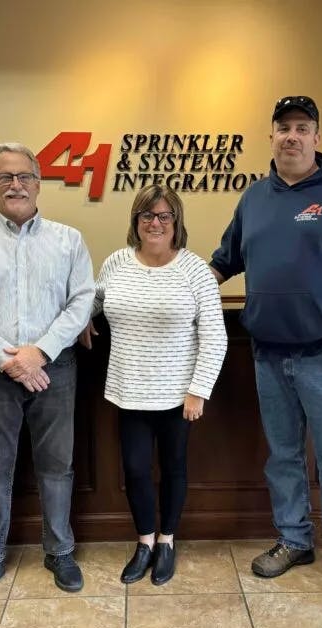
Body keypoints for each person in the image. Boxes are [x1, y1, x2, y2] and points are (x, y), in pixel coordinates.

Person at [210, 95, 322, 605]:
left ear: (317, 138)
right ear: (270, 137)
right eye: (283, 128)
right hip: (267, 355)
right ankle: (294, 541)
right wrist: (171, 287)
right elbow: (222, 263)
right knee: (284, 457)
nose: (291, 136)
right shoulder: (254, 199)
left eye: (302, 128)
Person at [0, 142, 93, 605]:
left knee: (58, 468)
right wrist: (7, 359)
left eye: (24, 176)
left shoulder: (69, 240)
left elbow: (81, 301)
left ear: (38, 182)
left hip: (56, 370)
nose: (16, 185)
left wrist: (41, 353)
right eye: (5, 177)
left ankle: (60, 551)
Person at [80, 184, 227, 585]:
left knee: (174, 467)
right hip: (129, 391)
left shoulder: (195, 270)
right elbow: (92, 301)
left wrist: (199, 390)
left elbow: (216, 334)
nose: (155, 223)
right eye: (147, 215)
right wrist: (83, 321)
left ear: (176, 223)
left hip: (179, 396)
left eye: (164, 216)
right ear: (136, 222)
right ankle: (144, 540)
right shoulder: (115, 263)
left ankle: (167, 541)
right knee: (135, 469)